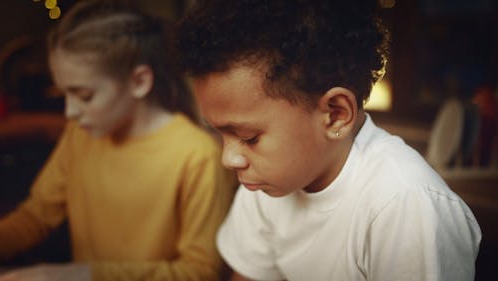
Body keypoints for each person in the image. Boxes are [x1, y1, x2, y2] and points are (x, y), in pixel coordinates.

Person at [176, 0, 482, 280]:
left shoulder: (406, 206)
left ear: (335, 115)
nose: (229, 158)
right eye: (220, 133)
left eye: (248, 137)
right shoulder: (267, 181)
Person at [0, 1, 236, 280]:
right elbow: (36, 217)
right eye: (64, 95)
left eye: (84, 96)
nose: (70, 112)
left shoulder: (197, 156)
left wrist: (78, 275)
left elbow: (200, 272)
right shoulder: (81, 135)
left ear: (139, 82)